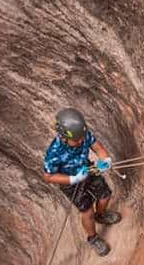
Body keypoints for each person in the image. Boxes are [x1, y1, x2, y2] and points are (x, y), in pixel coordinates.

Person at [42, 108, 121, 256]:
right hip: (70, 183)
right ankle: (93, 238)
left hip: (88, 169)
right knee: (87, 211)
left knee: (105, 196)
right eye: (76, 140)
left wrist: (105, 160)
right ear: (64, 136)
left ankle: (101, 215)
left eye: (81, 138)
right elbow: (48, 177)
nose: (80, 142)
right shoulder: (54, 152)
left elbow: (98, 148)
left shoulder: (83, 135)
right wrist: (73, 179)